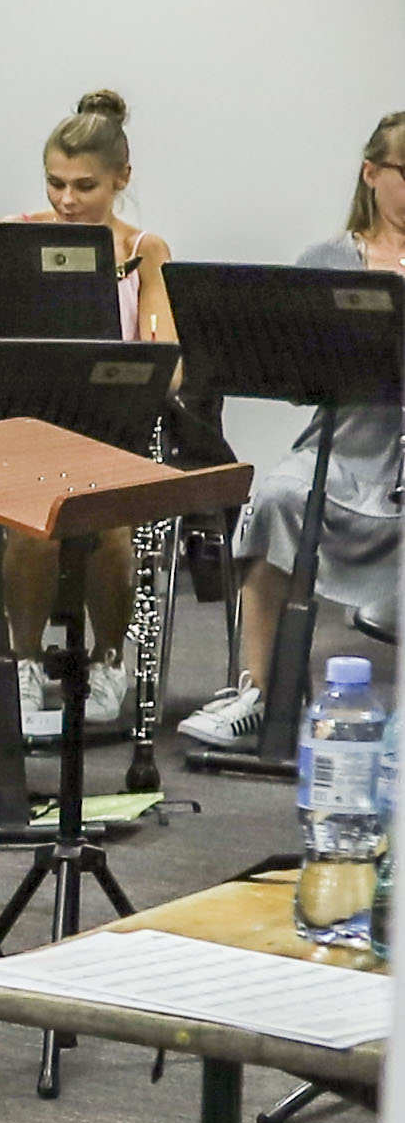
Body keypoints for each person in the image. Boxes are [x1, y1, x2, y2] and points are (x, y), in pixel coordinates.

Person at [185, 110, 405, 751]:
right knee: (280, 496)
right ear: (372, 173)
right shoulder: (327, 260)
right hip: (347, 445)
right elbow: (297, 369)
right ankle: (261, 692)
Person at [0, 91, 178, 714]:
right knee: (33, 527)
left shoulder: (144, 250)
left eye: (85, 186)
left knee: (111, 526)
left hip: (112, 428)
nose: (66, 200)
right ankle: (23, 662)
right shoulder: (17, 237)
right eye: (55, 183)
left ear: (121, 179)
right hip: (32, 426)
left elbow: (168, 364)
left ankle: (109, 659)